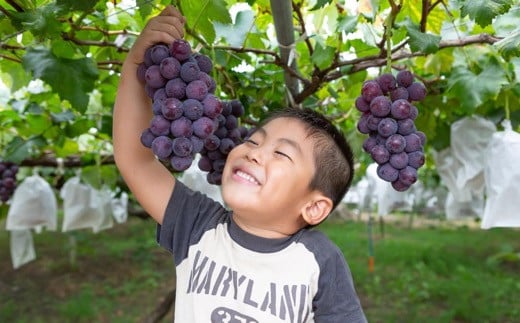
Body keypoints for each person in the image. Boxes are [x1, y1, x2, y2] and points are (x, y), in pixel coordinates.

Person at [113, 5, 367, 323]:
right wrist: (135, 64)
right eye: (253, 140)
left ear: (314, 208)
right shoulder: (196, 223)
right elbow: (135, 161)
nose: (254, 153)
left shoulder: (320, 260)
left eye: (281, 154)